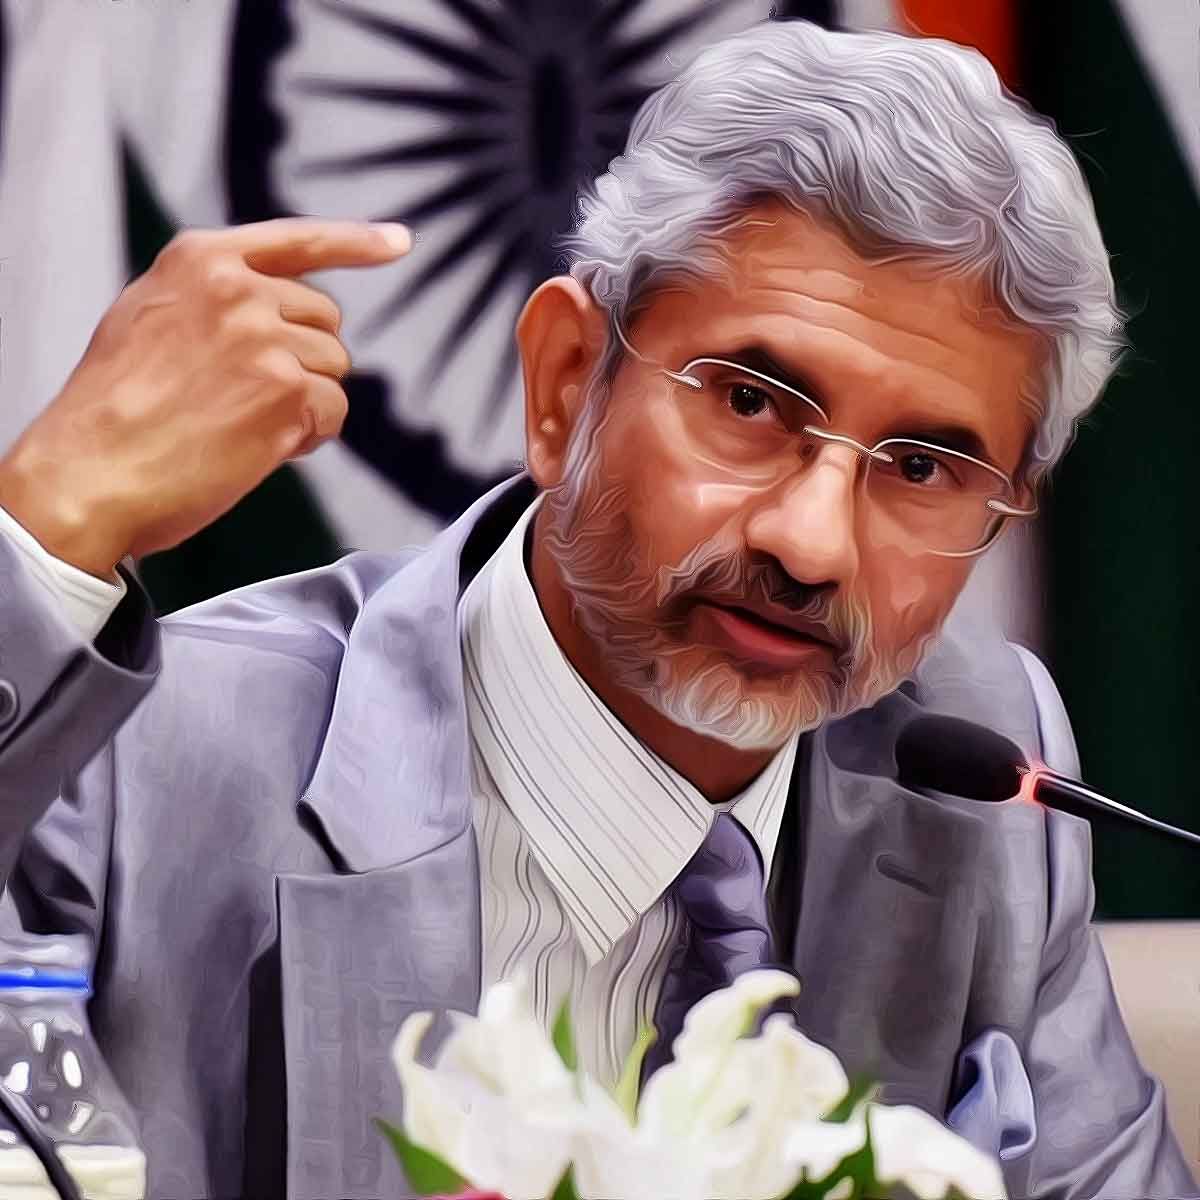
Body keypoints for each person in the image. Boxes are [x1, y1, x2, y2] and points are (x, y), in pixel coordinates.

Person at [0, 19, 1192, 1200]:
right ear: (567, 381)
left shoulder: (981, 774)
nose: (812, 544)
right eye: (750, 402)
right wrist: (44, 521)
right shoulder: (154, 757)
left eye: (923, 468)